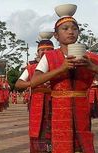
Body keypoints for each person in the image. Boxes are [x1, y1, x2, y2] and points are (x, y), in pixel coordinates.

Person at [31, 4, 98, 153]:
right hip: (59, 109)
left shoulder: (91, 57)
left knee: (84, 145)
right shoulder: (50, 56)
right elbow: (34, 81)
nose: (71, 32)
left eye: (74, 28)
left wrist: (92, 67)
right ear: (56, 35)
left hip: (82, 108)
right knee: (62, 145)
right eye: (65, 28)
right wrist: (61, 69)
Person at [15, 32, 54, 152]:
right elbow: (18, 84)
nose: (45, 52)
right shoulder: (31, 68)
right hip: (37, 104)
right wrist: (33, 83)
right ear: (38, 52)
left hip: (56, 103)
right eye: (42, 50)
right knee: (38, 131)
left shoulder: (59, 65)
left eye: (49, 49)